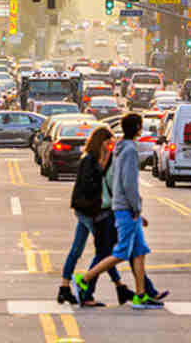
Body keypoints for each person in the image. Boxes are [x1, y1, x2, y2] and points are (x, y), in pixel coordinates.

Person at [71, 113, 165, 309]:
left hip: (124, 207)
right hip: (127, 209)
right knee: (121, 252)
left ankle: (141, 294)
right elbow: (129, 182)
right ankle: (85, 278)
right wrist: (136, 207)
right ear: (138, 128)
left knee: (139, 251)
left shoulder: (121, 148)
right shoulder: (130, 150)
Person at [59, 127, 129, 305]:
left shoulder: (105, 158)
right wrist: (103, 166)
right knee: (104, 252)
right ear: (100, 142)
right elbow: (89, 186)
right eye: (108, 142)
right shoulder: (89, 160)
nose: (110, 145)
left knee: (78, 249)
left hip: (93, 211)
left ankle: (64, 288)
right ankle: (88, 292)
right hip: (89, 211)